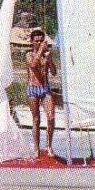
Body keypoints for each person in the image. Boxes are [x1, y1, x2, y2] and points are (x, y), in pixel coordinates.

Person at [25, 28, 58, 157]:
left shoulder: (45, 55)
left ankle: (49, 146)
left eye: (41, 41)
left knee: (51, 117)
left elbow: (54, 73)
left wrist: (49, 60)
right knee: (36, 119)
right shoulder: (29, 55)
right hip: (33, 88)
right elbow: (33, 64)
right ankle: (36, 149)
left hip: (45, 88)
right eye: (36, 41)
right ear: (32, 42)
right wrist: (40, 50)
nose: (39, 43)